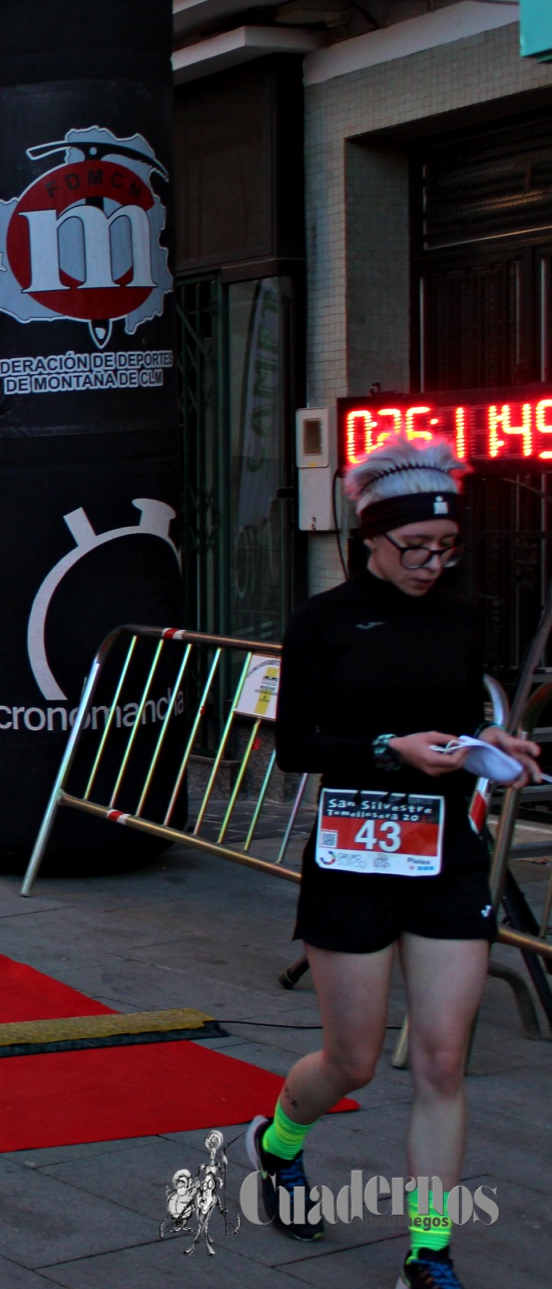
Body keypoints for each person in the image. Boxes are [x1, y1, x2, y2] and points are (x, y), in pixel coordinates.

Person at [249, 434, 539, 1289]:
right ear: (369, 538)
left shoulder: (458, 613)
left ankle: (429, 1252)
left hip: (446, 848)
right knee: (355, 1060)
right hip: (354, 851)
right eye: (415, 549)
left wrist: (486, 742)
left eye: (446, 550)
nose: (431, 565)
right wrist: (387, 748)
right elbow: (296, 746)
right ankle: (279, 1142)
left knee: (443, 1060)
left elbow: (452, 712)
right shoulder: (322, 622)